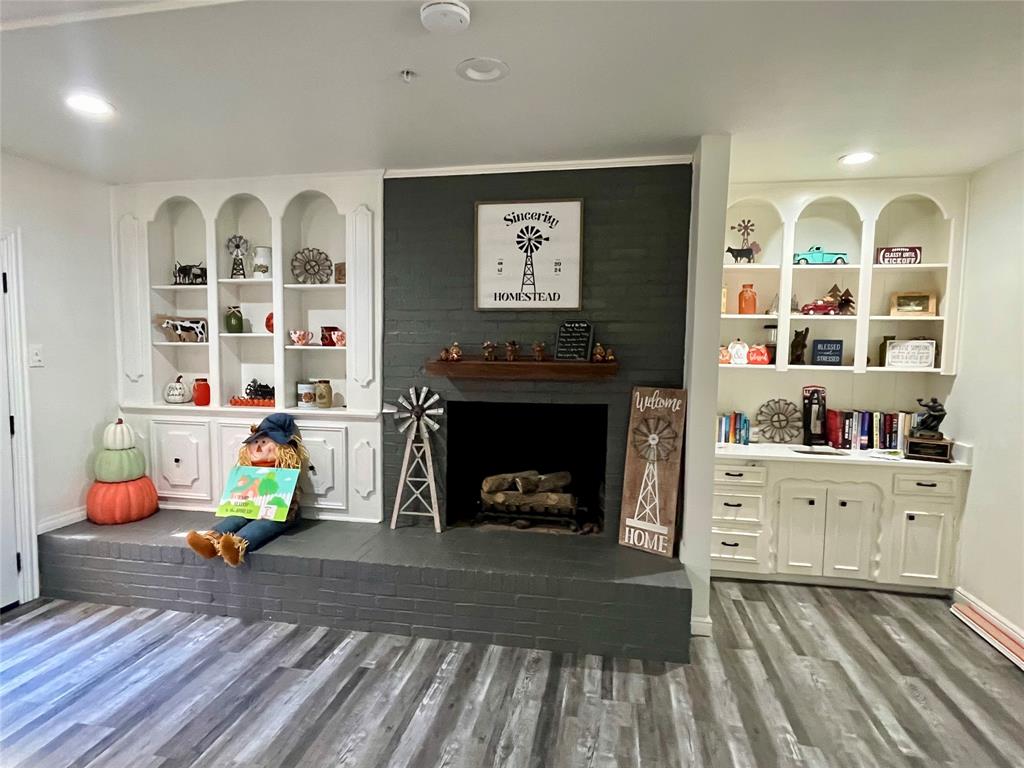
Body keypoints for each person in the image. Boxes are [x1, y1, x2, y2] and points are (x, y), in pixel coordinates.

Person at [186, 413, 308, 566]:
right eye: (255, 441)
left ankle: (236, 546)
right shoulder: (248, 470)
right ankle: (210, 541)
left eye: (264, 442)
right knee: (236, 518)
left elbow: (286, 496)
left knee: (263, 524)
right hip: (251, 507)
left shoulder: (285, 472)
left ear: (283, 447)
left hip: (280, 513)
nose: (258, 446)